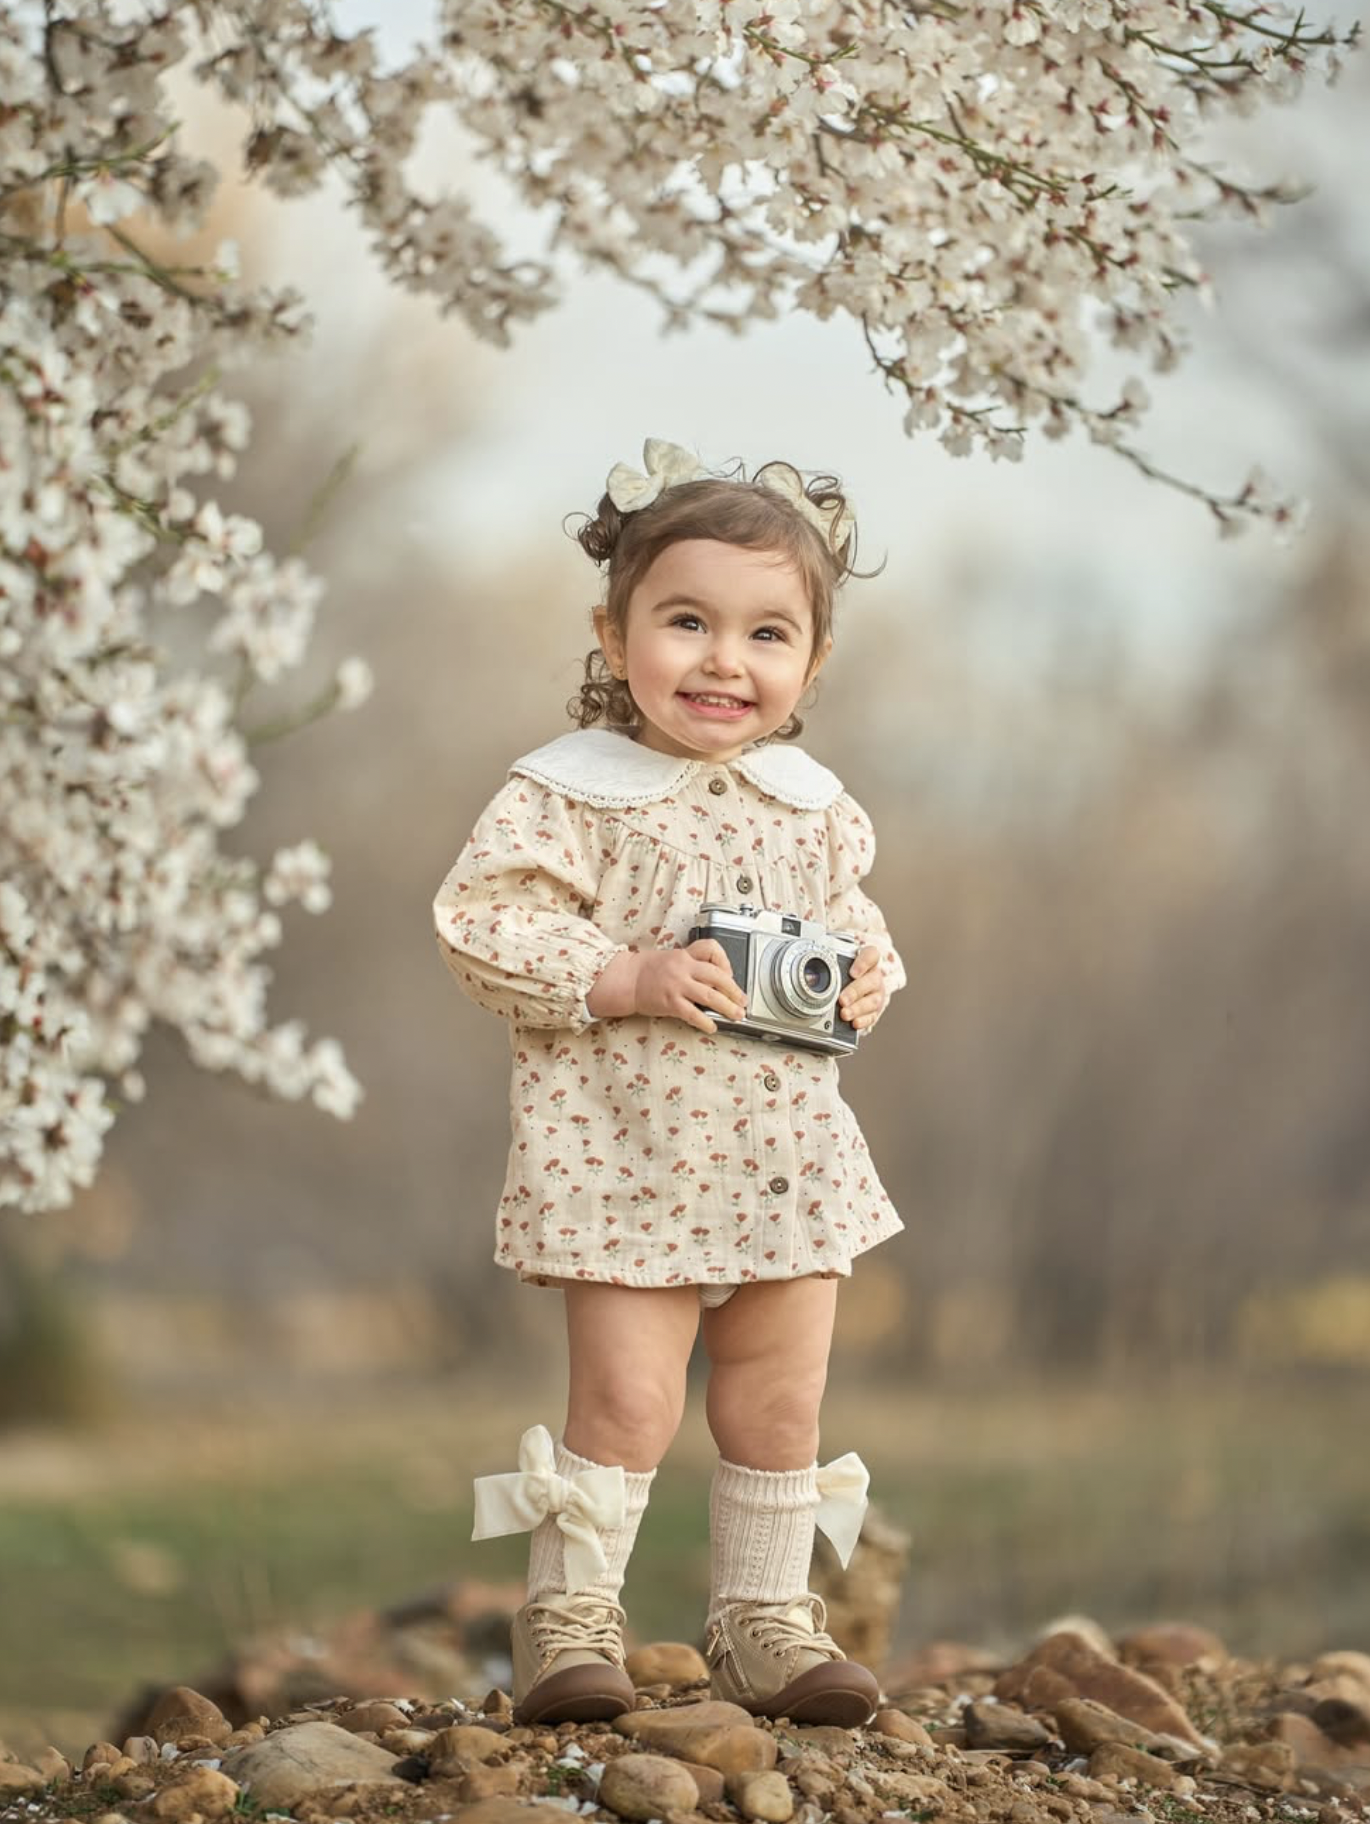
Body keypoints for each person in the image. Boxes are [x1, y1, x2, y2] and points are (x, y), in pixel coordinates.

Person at [433, 437, 905, 1729]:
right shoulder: (571, 795)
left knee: (778, 1395)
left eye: (765, 634)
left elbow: (857, 927)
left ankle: (763, 1621)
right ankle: (571, 1620)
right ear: (612, 627)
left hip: (784, 1151)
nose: (721, 660)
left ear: (810, 661)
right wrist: (621, 975)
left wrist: (866, 979)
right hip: (624, 1148)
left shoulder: (810, 806)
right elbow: (480, 925)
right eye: (685, 622)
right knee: (630, 1399)